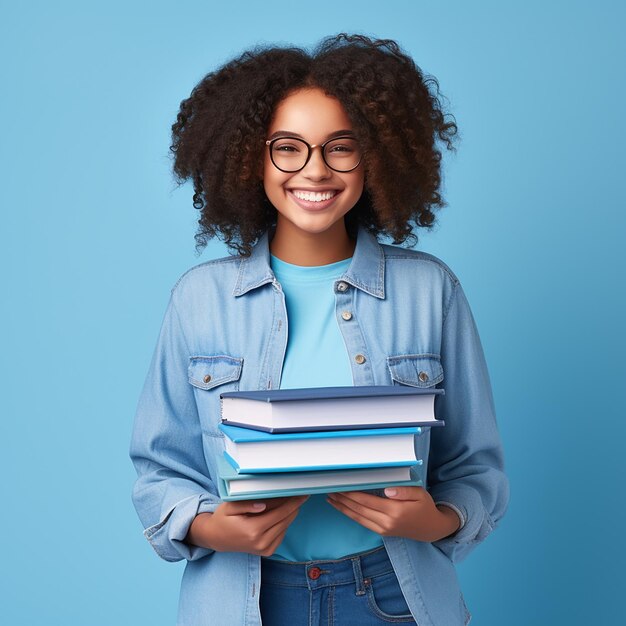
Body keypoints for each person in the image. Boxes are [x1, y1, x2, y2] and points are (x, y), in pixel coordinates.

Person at [130, 34, 509, 626]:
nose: (315, 170)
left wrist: (435, 521)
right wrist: (210, 525)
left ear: (376, 156)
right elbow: (160, 468)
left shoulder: (431, 291)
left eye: (341, 147)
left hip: (392, 595)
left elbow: (475, 465)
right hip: (242, 601)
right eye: (289, 148)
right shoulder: (198, 299)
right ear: (250, 157)